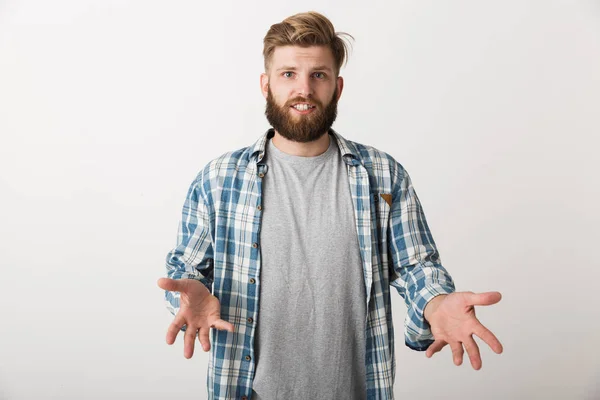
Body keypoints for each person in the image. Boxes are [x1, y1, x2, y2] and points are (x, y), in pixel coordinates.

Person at [157, 11, 503, 400]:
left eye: (318, 75)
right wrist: (188, 297)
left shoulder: (383, 176)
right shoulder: (218, 179)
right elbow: (185, 272)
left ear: (337, 87)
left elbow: (416, 265)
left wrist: (436, 303)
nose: (303, 89)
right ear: (265, 84)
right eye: (288, 74)